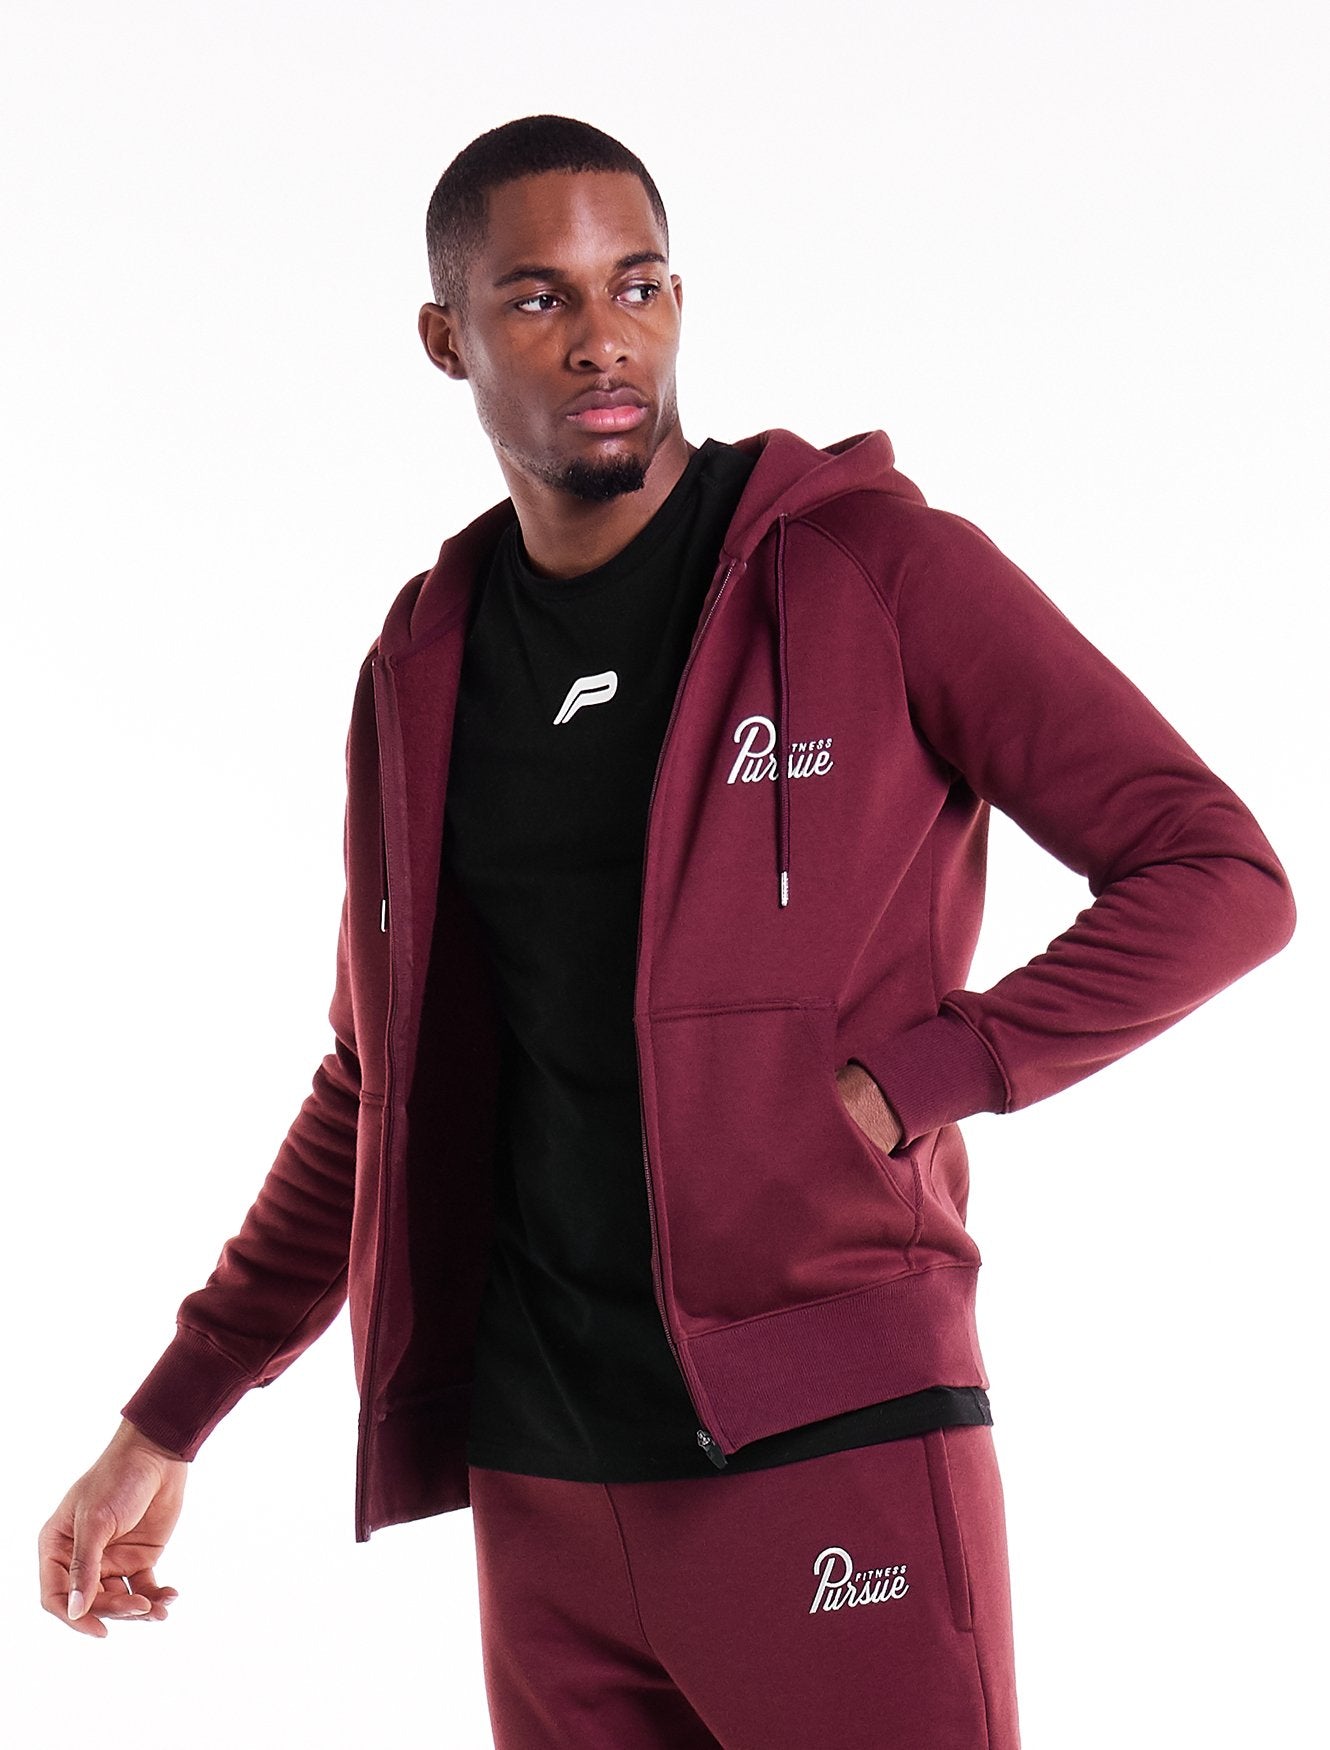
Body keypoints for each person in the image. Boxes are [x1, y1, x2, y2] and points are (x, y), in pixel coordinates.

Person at [39, 114, 1295, 1748]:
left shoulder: (874, 572)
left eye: (635, 286)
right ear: (445, 338)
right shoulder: (425, 662)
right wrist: (169, 1414)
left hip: (830, 1434)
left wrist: (916, 1077)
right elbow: (376, 1083)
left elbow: (1214, 874)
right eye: (538, 299)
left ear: (679, 300)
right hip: (542, 1483)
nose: (602, 337)